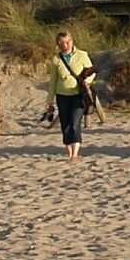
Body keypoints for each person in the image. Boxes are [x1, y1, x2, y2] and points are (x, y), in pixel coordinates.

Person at [48, 29, 95, 163]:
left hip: (78, 94)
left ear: (72, 41)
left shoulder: (82, 54)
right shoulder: (56, 59)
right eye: (62, 42)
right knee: (65, 124)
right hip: (62, 94)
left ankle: (75, 154)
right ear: (58, 44)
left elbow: (92, 71)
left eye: (67, 42)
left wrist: (87, 82)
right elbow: (52, 81)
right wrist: (49, 100)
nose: (65, 45)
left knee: (75, 122)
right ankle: (69, 153)